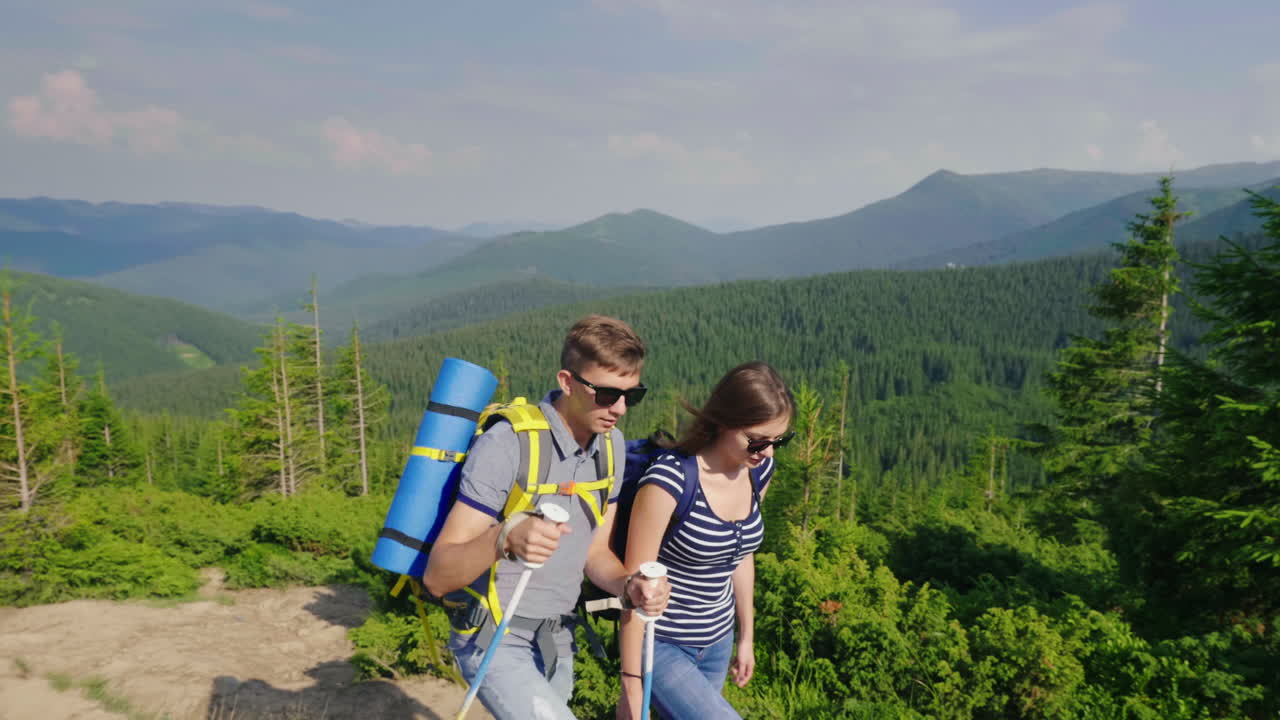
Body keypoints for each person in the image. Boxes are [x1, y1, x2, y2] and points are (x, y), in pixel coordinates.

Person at [424, 314, 671, 720]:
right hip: (491, 637)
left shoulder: (611, 447)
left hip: (558, 639)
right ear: (567, 381)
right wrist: (505, 538)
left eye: (633, 394)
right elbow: (438, 576)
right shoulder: (508, 445)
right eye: (607, 394)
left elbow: (595, 553)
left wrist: (630, 586)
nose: (621, 409)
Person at [616, 361, 794, 720]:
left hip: (717, 642)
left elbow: (740, 556)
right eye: (758, 441)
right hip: (661, 642)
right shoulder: (670, 481)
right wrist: (630, 689)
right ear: (723, 421)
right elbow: (634, 588)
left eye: (779, 441)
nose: (768, 452)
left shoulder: (757, 472)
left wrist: (746, 638)